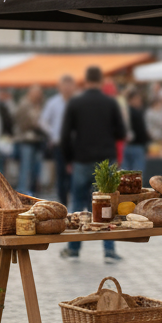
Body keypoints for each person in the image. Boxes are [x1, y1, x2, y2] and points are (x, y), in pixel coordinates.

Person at [60, 66, 127, 263]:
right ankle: (109, 251)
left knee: (78, 203)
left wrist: (69, 159)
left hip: (81, 159)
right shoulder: (110, 103)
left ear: (85, 80)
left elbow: (64, 136)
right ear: (101, 80)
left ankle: (73, 248)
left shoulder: (75, 103)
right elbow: (122, 133)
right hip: (106, 161)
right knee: (106, 206)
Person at [40, 75, 76, 205]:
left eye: (69, 86)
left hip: (75, 144)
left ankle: (75, 202)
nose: (67, 89)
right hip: (59, 143)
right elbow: (43, 121)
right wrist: (53, 132)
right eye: (64, 86)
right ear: (59, 87)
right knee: (61, 175)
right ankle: (63, 203)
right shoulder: (53, 103)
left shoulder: (77, 101)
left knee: (75, 175)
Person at [13, 85, 46, 196]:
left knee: (35, 168)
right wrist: (37, 122)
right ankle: (23, 191)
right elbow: (25, 123)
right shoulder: (24, 105)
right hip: (26, 140)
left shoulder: (40, 104)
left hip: (37, 140)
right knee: (26, 167)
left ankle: (32, 190)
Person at [123, 88, 150, 173]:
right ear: (132, 99)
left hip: (124, 146)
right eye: (138, 99)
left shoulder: (122, 112)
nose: (140, 102)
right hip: (137, 146)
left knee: (124, 176)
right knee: (137, 176)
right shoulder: (136, 113)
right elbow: (141, 131)